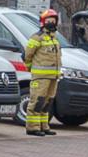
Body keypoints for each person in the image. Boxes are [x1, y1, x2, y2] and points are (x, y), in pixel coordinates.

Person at [22, 8, 63, 137]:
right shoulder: (37, 37)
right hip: (40, 77)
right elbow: (27, 55)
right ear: (43, 22)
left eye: (53, 20)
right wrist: (30, 68)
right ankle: (32, 128)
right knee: (37, 101)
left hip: (53, 76)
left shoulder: (55, 39)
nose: (51, 23)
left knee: (47, 103)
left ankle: (44, 126)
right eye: (49, 20)